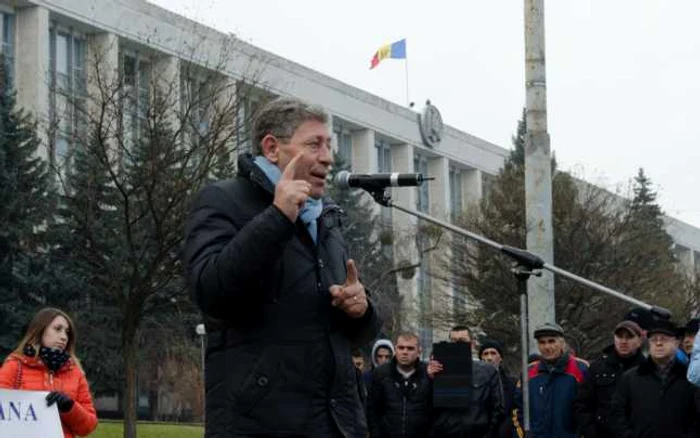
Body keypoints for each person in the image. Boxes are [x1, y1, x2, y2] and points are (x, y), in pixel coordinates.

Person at [183, 96, 382, 438]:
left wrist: (360, 309)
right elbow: (210, 291)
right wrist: (277, 217)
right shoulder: (223, 200)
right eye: (314, 144)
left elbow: (357, 337)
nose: (328, 157)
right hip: (261, 423)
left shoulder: (326, 217)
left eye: (329, 145)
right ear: (273, 148)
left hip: (336, 425)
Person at [0, 308, 98, 438]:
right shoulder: (14, 366)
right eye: (57, 329)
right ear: (40, 330)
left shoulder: (75, 372)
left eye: (67, 332)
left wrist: (70, 407)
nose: (64, 337)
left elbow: (88, 427)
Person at [609, 318, 700, 438]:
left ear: (677, 343)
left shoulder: (690, 380)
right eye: (654, 340)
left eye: (664, 339)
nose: (658, 343)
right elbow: (616, 415)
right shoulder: (630, 378)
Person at [512, 322, 588, 438]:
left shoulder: (581, 368)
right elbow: (517, 409)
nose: (547, 347)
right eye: (542, 342)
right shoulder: (529, 372)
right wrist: (523, 434)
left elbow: (589, 408)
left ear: (562, 342)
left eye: (551, 341)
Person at [428, 325, 504, 438]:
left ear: (471, 344)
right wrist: (430, 380)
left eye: (462, 341)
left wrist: (489, 434)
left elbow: (498, 408)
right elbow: (425, 407)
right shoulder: (438, 370)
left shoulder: (487, 371)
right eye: (453, 341)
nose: (457, 344)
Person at [573, 320, 645, 438]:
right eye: (619, 336)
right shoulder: (598, 367)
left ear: (639, 341)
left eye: (629, 337)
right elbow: (581, 404)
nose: (623, 341)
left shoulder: (647, 370)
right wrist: (590, 432)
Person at [367, 332, 432, 438]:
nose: (405, 352)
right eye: (401, 348)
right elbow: (372, 410)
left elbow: (434, 411)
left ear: (419, 351)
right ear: (395, 349)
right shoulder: (381, 374)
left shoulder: (427, 374)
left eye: (410, 348)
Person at [478, 339, 515, 438]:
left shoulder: (512, 383)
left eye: (493, 353)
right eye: (485, 354)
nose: (489, 358)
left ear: (500, 357)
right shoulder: (475, 384)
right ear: (481, 358)